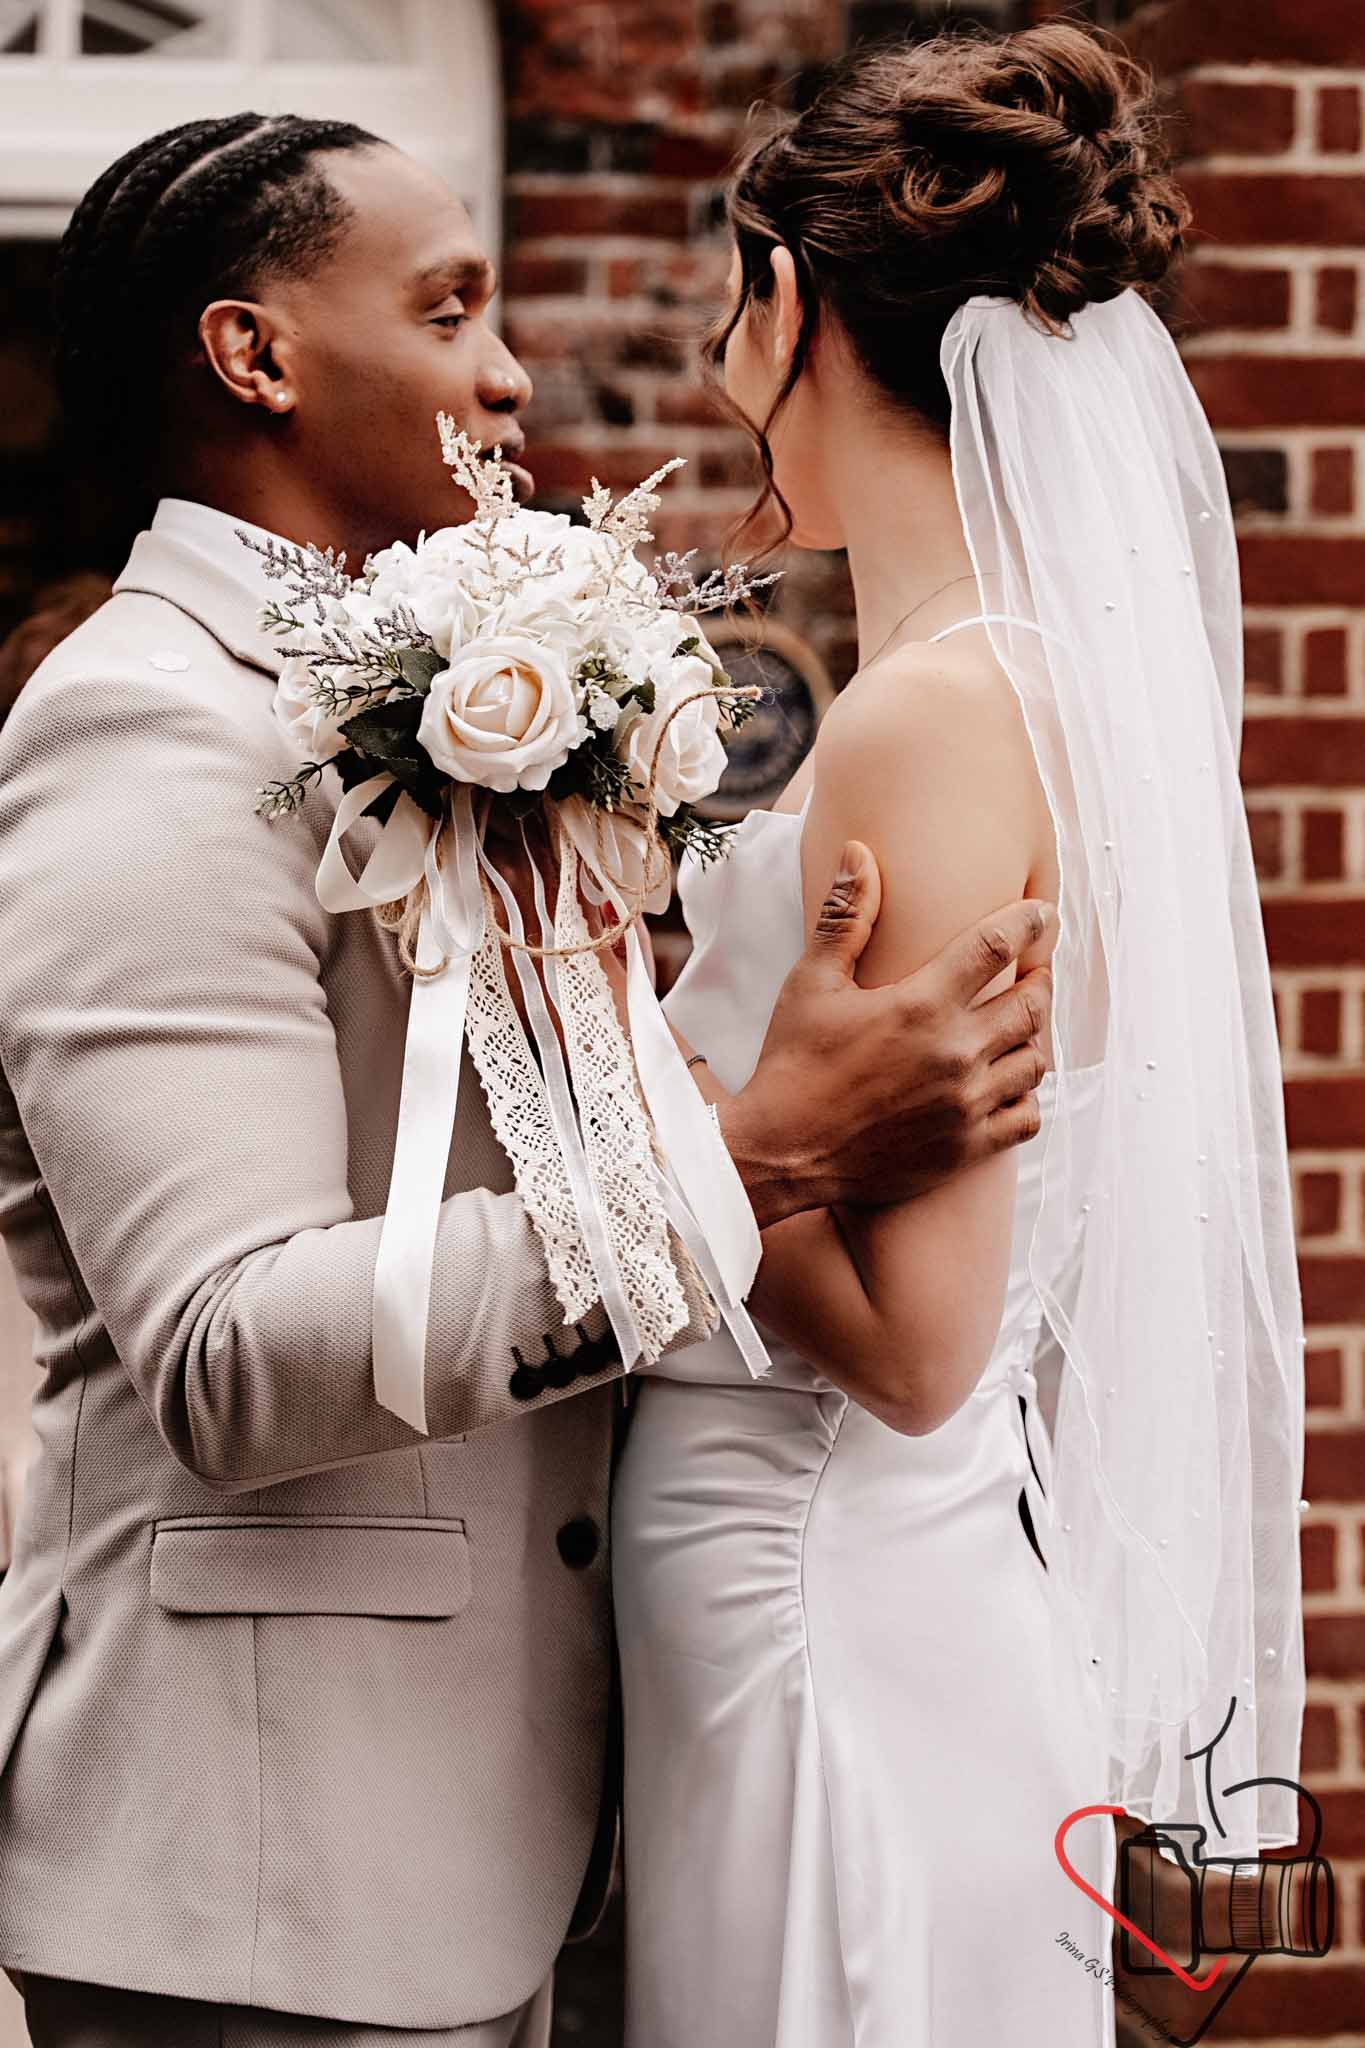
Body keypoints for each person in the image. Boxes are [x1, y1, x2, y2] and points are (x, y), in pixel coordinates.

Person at [0, 114, 1056, 2048]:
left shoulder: (388, 709)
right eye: (451, 306)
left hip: (519, 1828)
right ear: (257, 357)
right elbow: (232, 1350)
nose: (511, 371)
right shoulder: (146, 728)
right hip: (269, 1887)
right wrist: (755, 1150)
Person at [612, 23, 1307, 2048]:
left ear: (805, 304)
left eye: (737, 309)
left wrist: (614, 1063)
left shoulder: (931, 719)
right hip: (837, 1575)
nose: (724, 381)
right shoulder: (968, 678)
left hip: (829, 1580)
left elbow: (913, 1349)